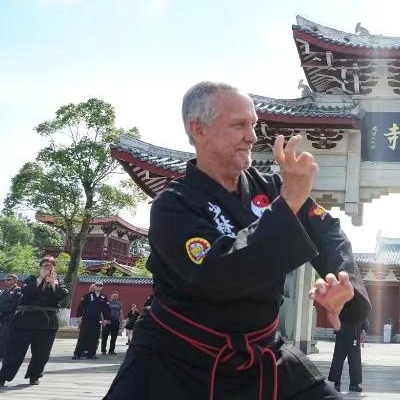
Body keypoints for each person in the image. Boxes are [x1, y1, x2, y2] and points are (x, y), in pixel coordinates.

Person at [103, 81, 370, 400]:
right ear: (198, 129)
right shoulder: (173, 206)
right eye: (239, 125)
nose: (252, 137)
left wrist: (341, 282)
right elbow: (219, 271)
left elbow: (327, 230)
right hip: (176, 359)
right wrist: (287, 204)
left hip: (262, 355)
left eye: (253, 125)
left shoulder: (271, 189)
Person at [0, 257, 68, 387]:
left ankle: (34, 375)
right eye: (45, 265)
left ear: (54, 268)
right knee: (14, 351)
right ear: (40, 267)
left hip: (47, 322)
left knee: (42, 354)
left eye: (50, 266)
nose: (47, 268)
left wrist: (53, 283)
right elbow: (26, 292)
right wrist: (40, 278)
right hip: (25, 320)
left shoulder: (58, 282)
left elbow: (62, 295)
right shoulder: (31, 279)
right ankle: (3, 376)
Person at [327, 319, 366, 393]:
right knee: (338, 359)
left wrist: (363, 329)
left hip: (355, 333)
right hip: (342, 332)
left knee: (355, 360)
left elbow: (364, 315)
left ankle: (354, 384)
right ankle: (336, 383)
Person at [73, 281, 109, 360]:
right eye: (97, 285)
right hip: (86, 318)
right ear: (95, 286)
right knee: (82, 336)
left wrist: (106, 319)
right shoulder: (88, 295)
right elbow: (81, 306)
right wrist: (79, 316)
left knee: (95, 337)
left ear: (102, 287)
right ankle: (77, 354)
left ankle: (91, 354)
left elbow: (106, 309)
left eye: (100, 285)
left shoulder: (103, 297)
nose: (98, 286)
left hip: (96, 319)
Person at [0, 274, 22, 360]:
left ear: (15, 281)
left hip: (11, 317)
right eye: (5, 280)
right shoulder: (4, 291)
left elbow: (15, 305)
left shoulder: (18, 291)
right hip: (3, 317)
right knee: (2, 336)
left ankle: (6, 355)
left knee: (7, 336)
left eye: (9, 279)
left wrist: (3, 308)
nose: (6, 281)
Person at [101, 291, 123, 355]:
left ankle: (111, 350)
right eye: (114, 296)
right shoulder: (107, 302)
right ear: (111, 296)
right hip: (107, 321)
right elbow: (102, 312)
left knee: (114, 337)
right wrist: (103, 320)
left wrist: (121, 322)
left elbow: (121, 313)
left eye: (116, 296)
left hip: (115, 322)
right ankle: (103, 350)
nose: (115, 297)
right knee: (104, 337)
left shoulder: (119, 304)